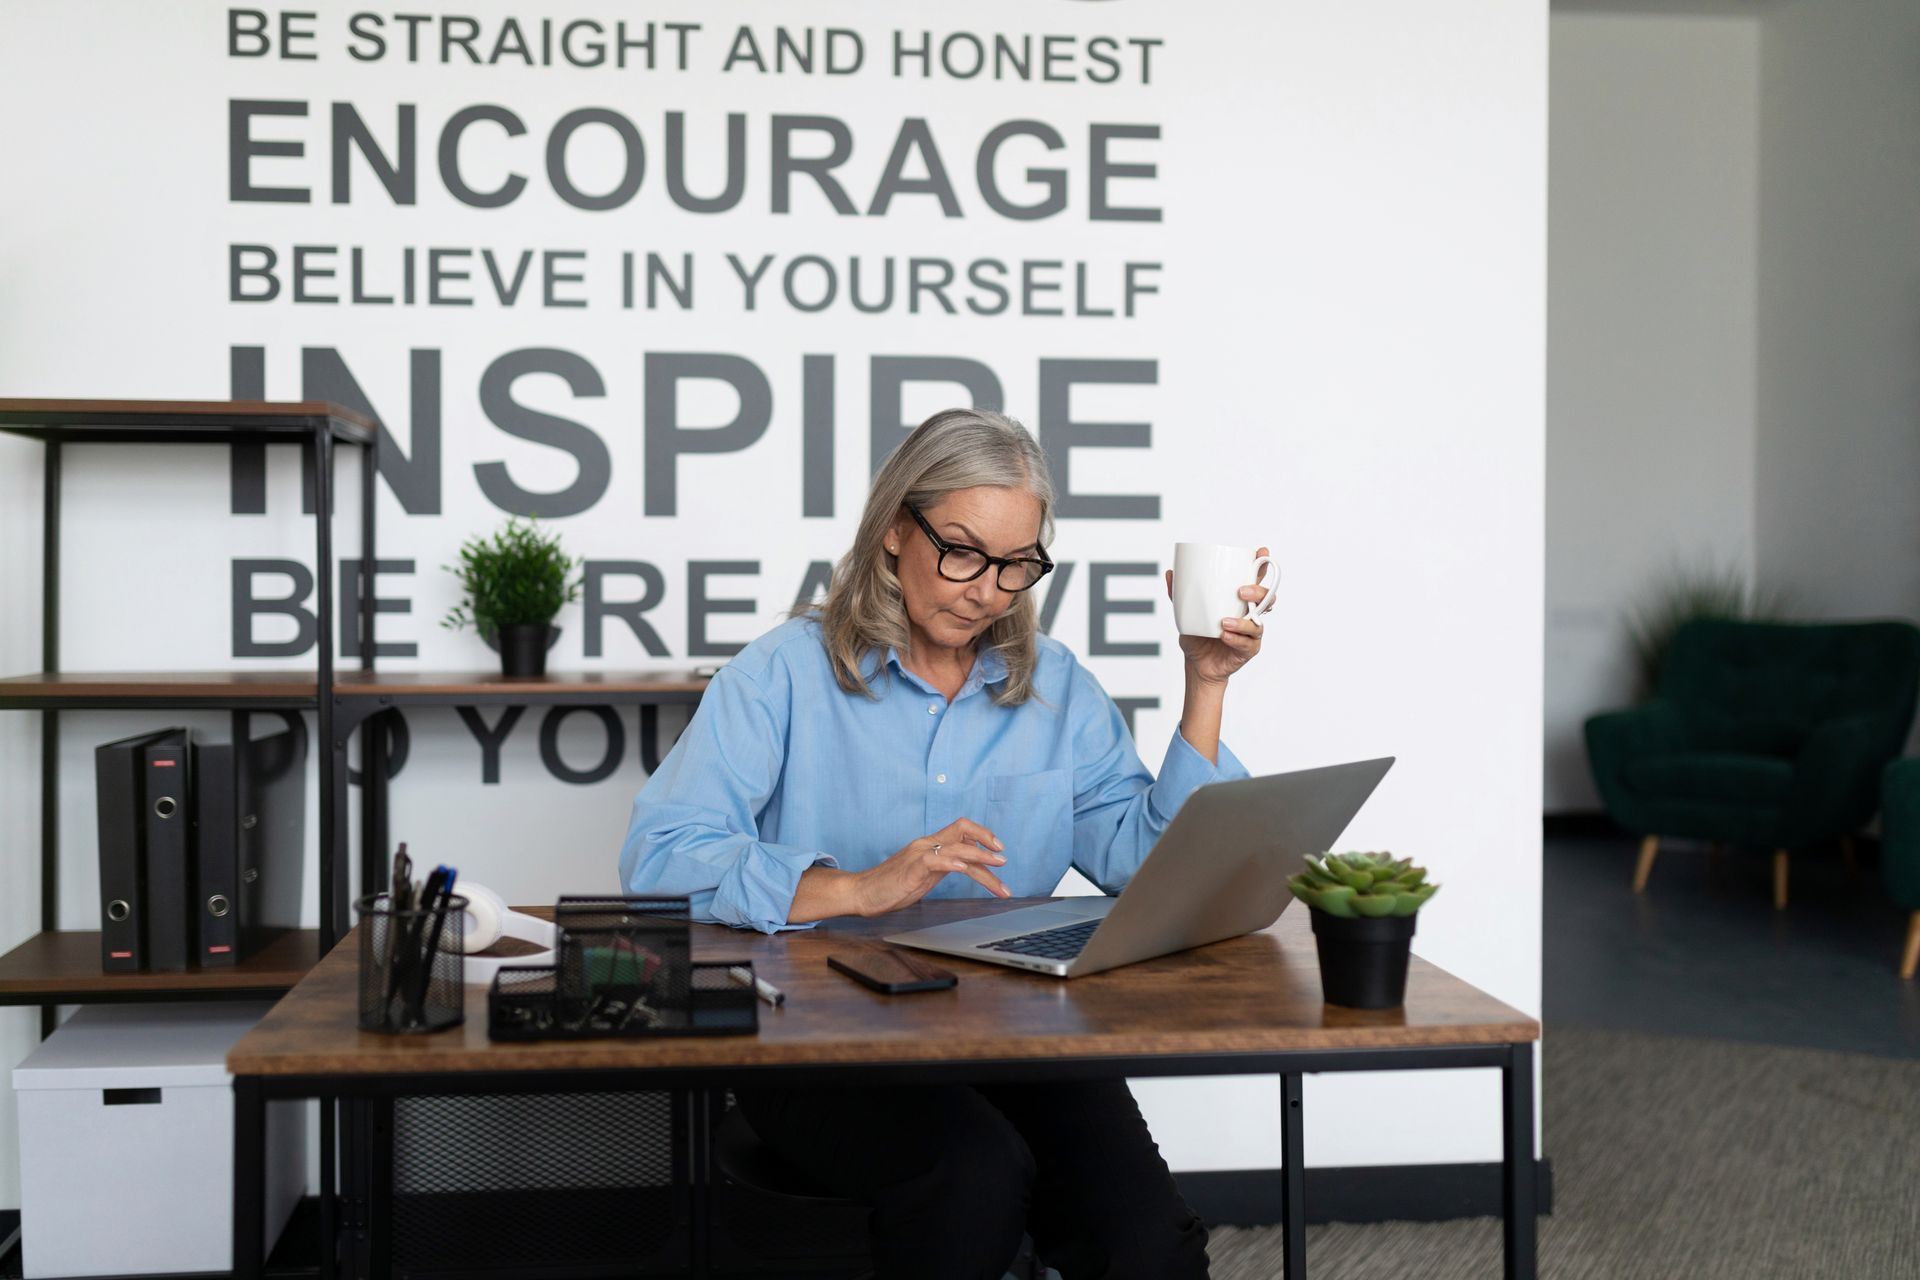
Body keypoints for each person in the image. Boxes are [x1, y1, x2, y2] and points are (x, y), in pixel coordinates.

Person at [618, 408, 1271, 1280]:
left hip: (1016, 1030)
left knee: (1145, 1239)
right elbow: (661, 855)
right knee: (972, 1180)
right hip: (823, 1047)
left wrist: (1205, 684)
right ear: (896, 528)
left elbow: (1143, 865)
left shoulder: (1057, 686)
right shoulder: (782, 673)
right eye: (962, 552)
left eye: (1015, 565)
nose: (987, 590)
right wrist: (854, 888)